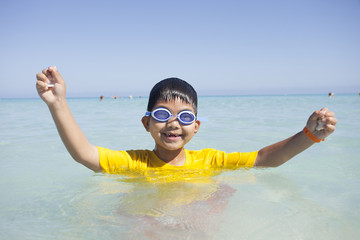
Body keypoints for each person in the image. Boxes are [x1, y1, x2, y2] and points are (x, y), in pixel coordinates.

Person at [36, 66, 337, 173]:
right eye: (162, 114)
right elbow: (84, 154)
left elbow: (263, 159)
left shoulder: (210, 161)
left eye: (185, 117)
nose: (173, 123)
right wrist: (58, 103)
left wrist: (308, 136)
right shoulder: (133, 162)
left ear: (196, 126)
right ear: (147, 123)